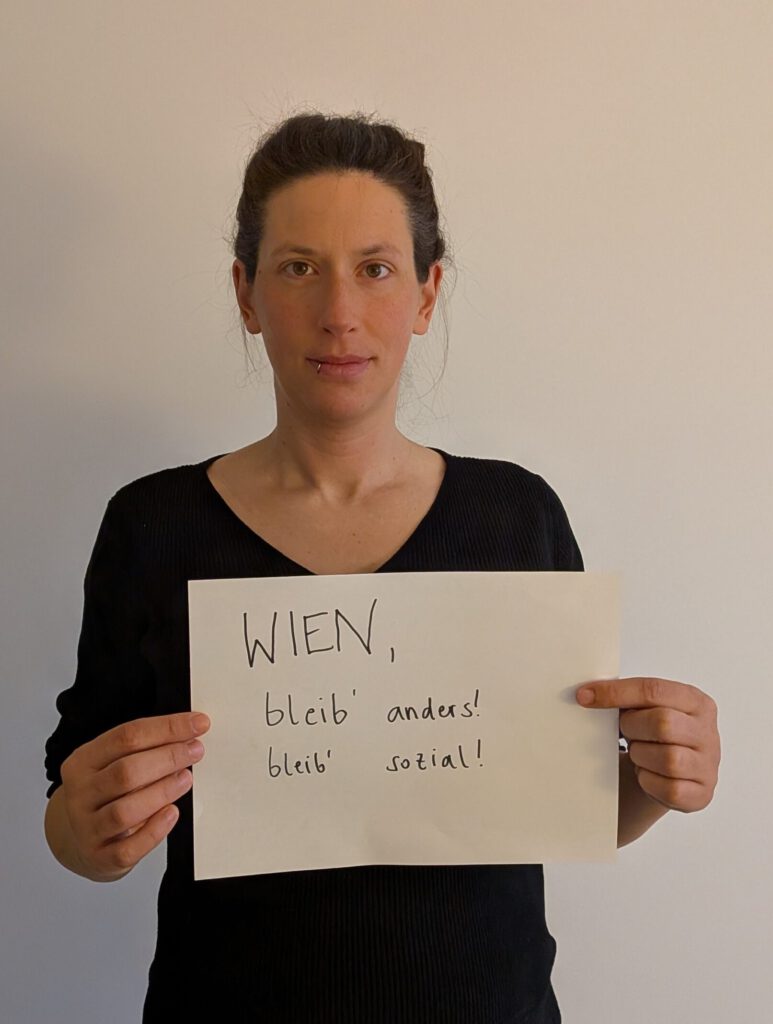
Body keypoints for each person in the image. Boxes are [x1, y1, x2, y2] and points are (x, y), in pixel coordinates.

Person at [43, 111, 721, 1023]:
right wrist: (84, 832)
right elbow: (77, 809)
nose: (339, 313)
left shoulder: (515, 517)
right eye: (298, 268)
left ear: (427, 293)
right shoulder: (153, 525)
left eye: (375, 269)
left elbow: (572, 804)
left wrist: (659, 779)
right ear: (246, 293)